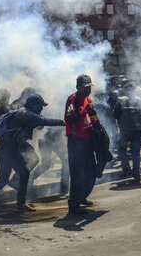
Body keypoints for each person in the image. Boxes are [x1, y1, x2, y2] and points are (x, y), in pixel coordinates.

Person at [0, 94, 64, 211]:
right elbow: (42, 120)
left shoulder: (24, 113)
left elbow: (36, 124)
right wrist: (62, 122)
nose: (41, 108)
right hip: (8, 150)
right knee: (23, 173)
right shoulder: (24, 113)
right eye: (40, 106)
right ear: (34, 105)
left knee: (4, 179)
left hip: (6, 149)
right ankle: (20, 203)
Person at [64, 74, 97, 215]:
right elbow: (68, 118)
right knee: (77, 174)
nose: (88, 90)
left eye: (89, 87)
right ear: (78, 87)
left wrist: (97, 125)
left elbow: (93, 115)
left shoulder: (88, 99)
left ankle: (82, 197)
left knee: (92, 171)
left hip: (87, 140)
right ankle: (73, 205)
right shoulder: (73, 99)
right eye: (85, 88)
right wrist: (84, 111)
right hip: (75, 140)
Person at [113, 82, 141, 182]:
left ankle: (126, 168)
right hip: (138, 131)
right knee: (136, 153)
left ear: (126, 90)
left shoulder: (121, 100)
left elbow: (115, 115)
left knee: (122, 149)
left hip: (125, 130)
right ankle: (137, 174)